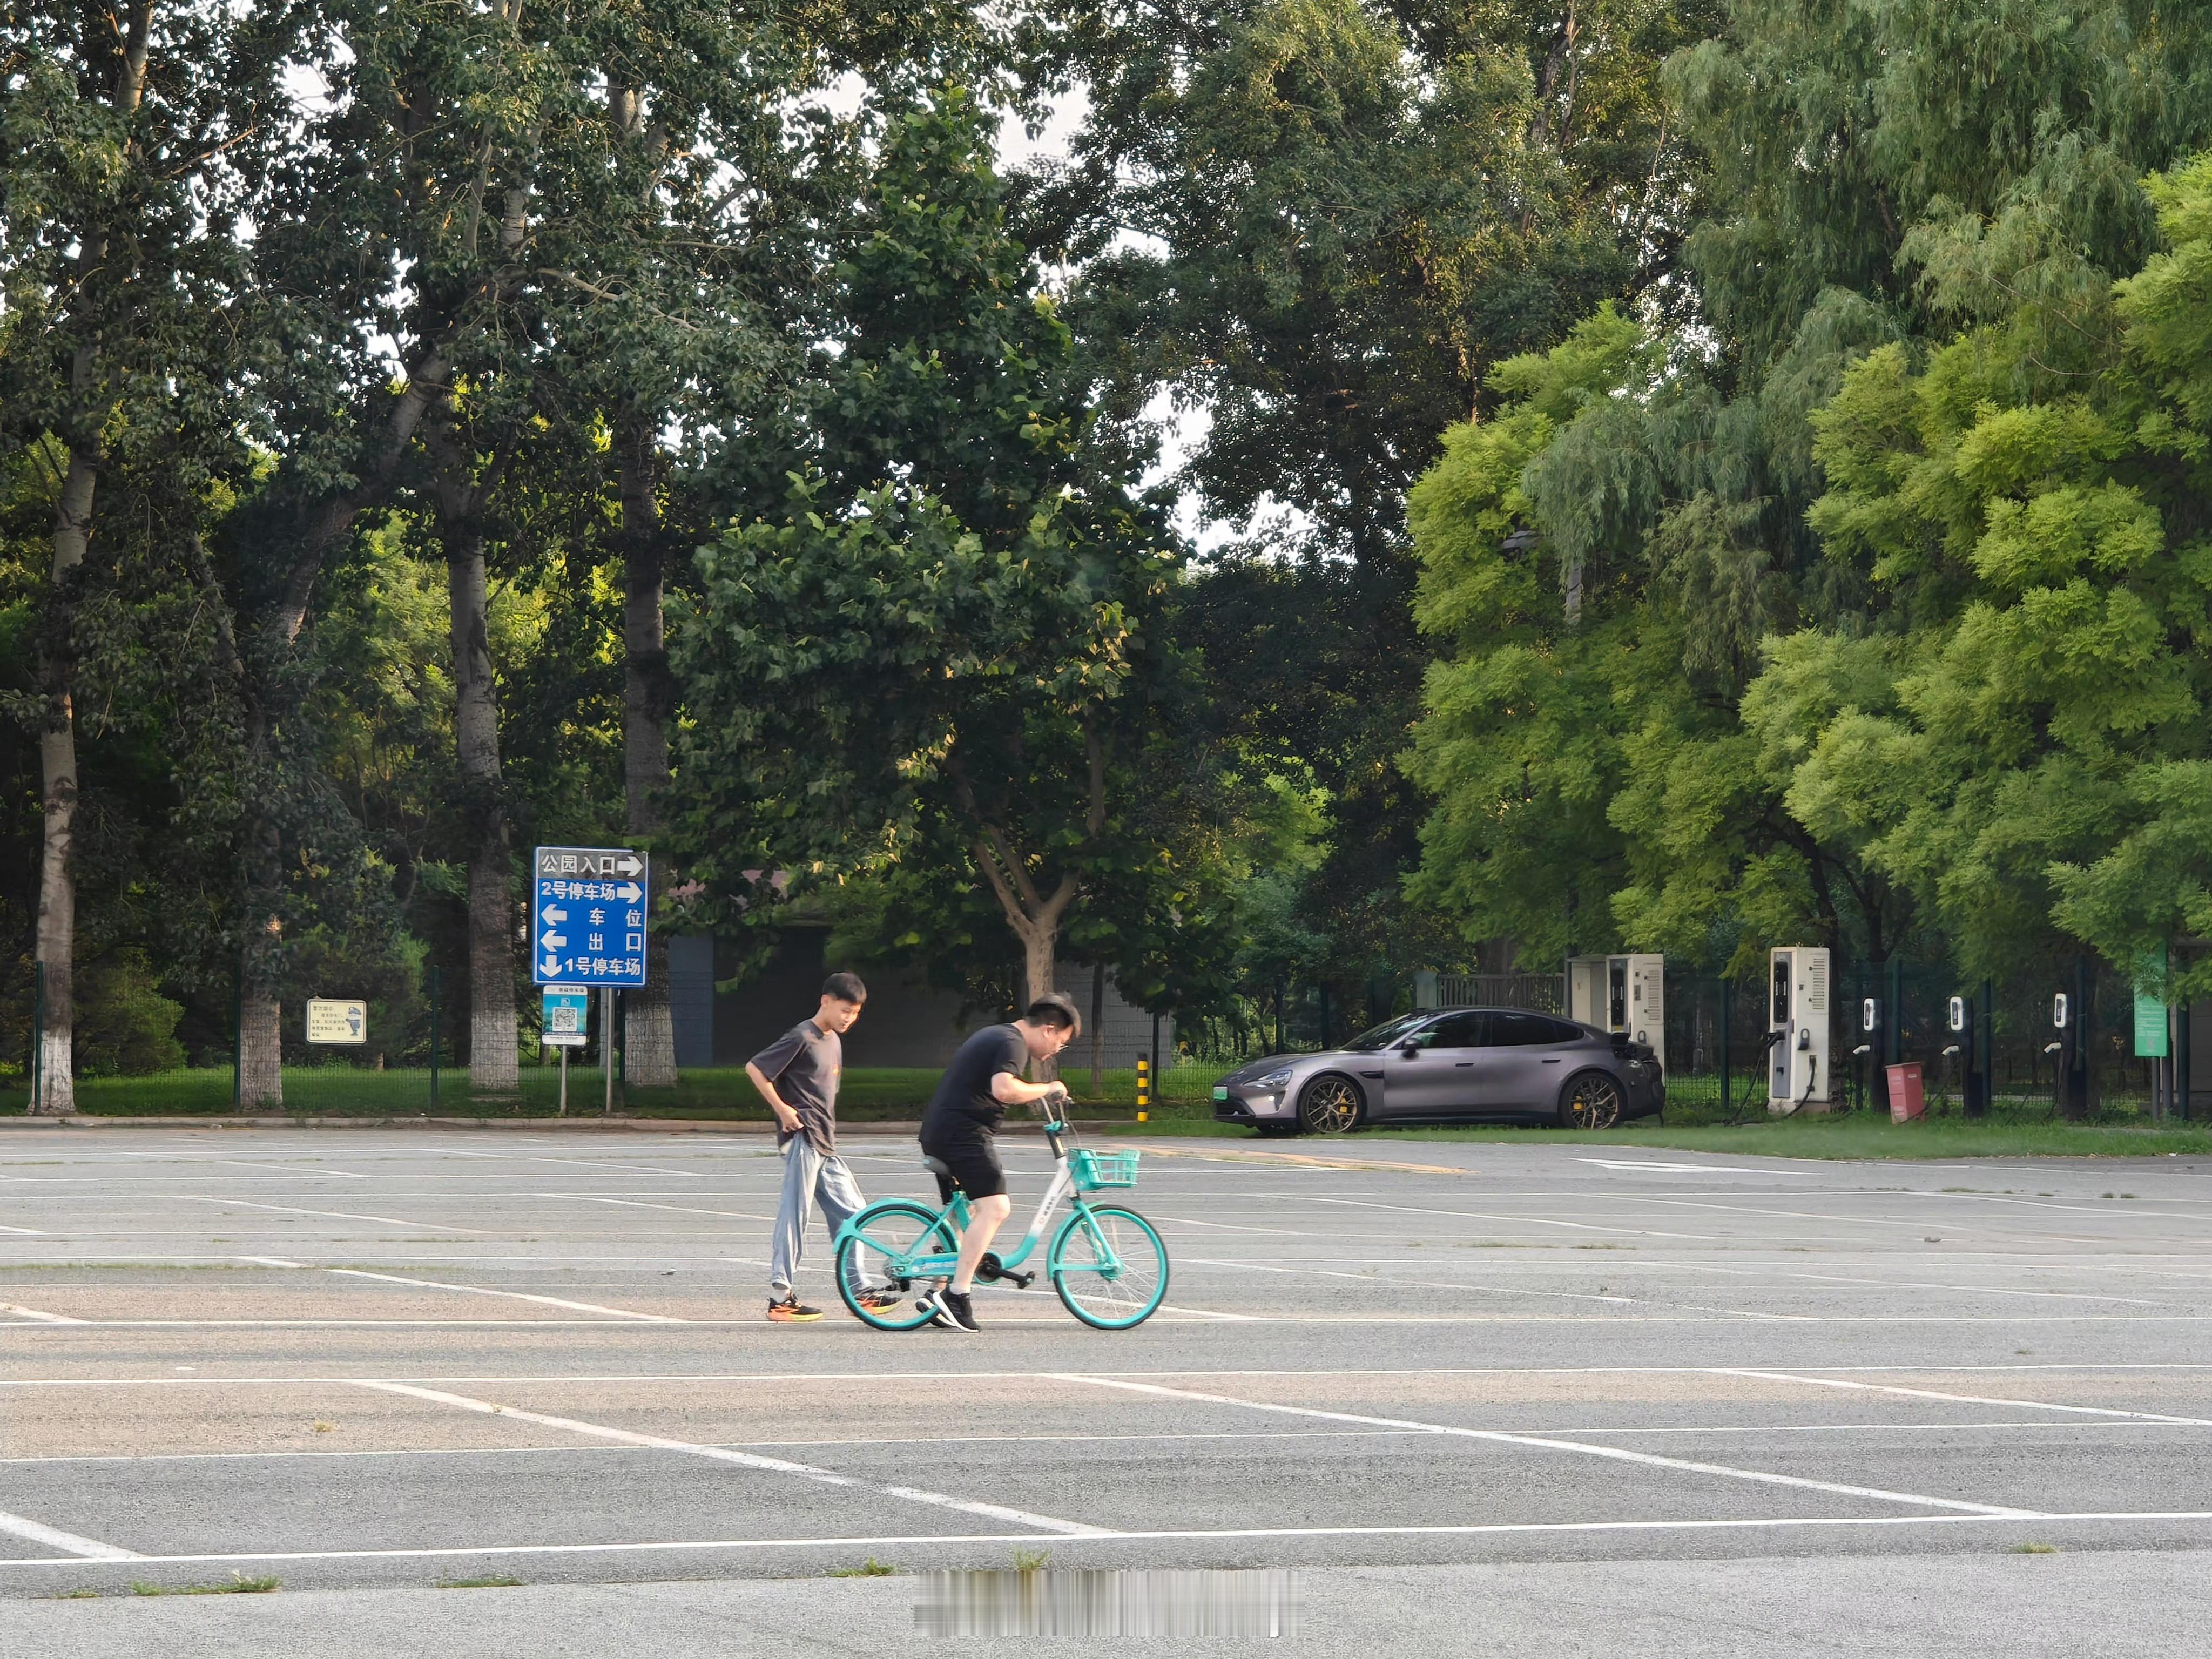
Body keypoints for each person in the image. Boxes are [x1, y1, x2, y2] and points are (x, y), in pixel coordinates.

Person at [913, 993, 1081, 1333]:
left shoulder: (999, 1034)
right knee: (996, 1208)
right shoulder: (1011, 1043)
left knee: (967, 1212)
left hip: (943, 1131)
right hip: (962, 1134)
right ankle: (958, 1296)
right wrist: (1048, 1087)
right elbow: (1004, 1089)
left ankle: (937, 1294)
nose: (1056, 1051)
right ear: (1049, 1030)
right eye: (1061, 1044)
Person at [746, 972, 894, 1323]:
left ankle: (860, 1291)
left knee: (856, 1215)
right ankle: (780, 1297)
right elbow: (755, 1068)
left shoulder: (833, 1040)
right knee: (795, 1216)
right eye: (845, 1010)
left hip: (825, 1142)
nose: (849, 1018)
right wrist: (782, 1110)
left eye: (855, 1013)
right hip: (803, 1139)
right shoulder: (802, 1036)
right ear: (825, 1001)